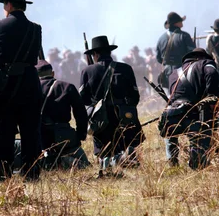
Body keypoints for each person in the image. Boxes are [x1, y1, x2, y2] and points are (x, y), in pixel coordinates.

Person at [0, 0, 43, 181]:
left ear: (8, 6)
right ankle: (31, 173)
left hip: (5, 83)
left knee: (4, 130)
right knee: (30, 130)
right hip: (30, 82)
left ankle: (3, 173)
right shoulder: (35, 28)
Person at [80, 35, 144, 175]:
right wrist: (126, 110)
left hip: (100, 118)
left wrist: (96, 108)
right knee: (126, 141)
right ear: (109, 52)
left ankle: (108, 164)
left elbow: (83, 99)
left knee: (103, 146)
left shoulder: (87, 71)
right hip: (123, 115)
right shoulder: (125, 68)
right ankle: (123, 159)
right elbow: (134, 97)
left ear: (95, 54)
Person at [159, 48, 219, 169]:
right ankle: (197, 161)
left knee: (170, 132)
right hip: (194, 115)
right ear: (202, 57)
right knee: (203, 126)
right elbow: (212, 73)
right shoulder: (206, 64)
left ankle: (172, 162)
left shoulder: (174, 72)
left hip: (173, 115)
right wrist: (213, 100)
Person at [155, 12, 195, 165]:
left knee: (170, 106)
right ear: (177, 23)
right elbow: (193, 53)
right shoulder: (184, 36)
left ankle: (172, 155)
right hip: (182, 73)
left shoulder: (161, 38)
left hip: (166, 75)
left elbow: (159, 58)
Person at [37, 60, 89, 170]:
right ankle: (62, 162)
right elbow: (81, 113)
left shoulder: (30, 90)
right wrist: (80, 134)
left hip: (39, 136)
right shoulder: (67, 86)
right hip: (65, 137)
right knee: (84, 165)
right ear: (52, 73)